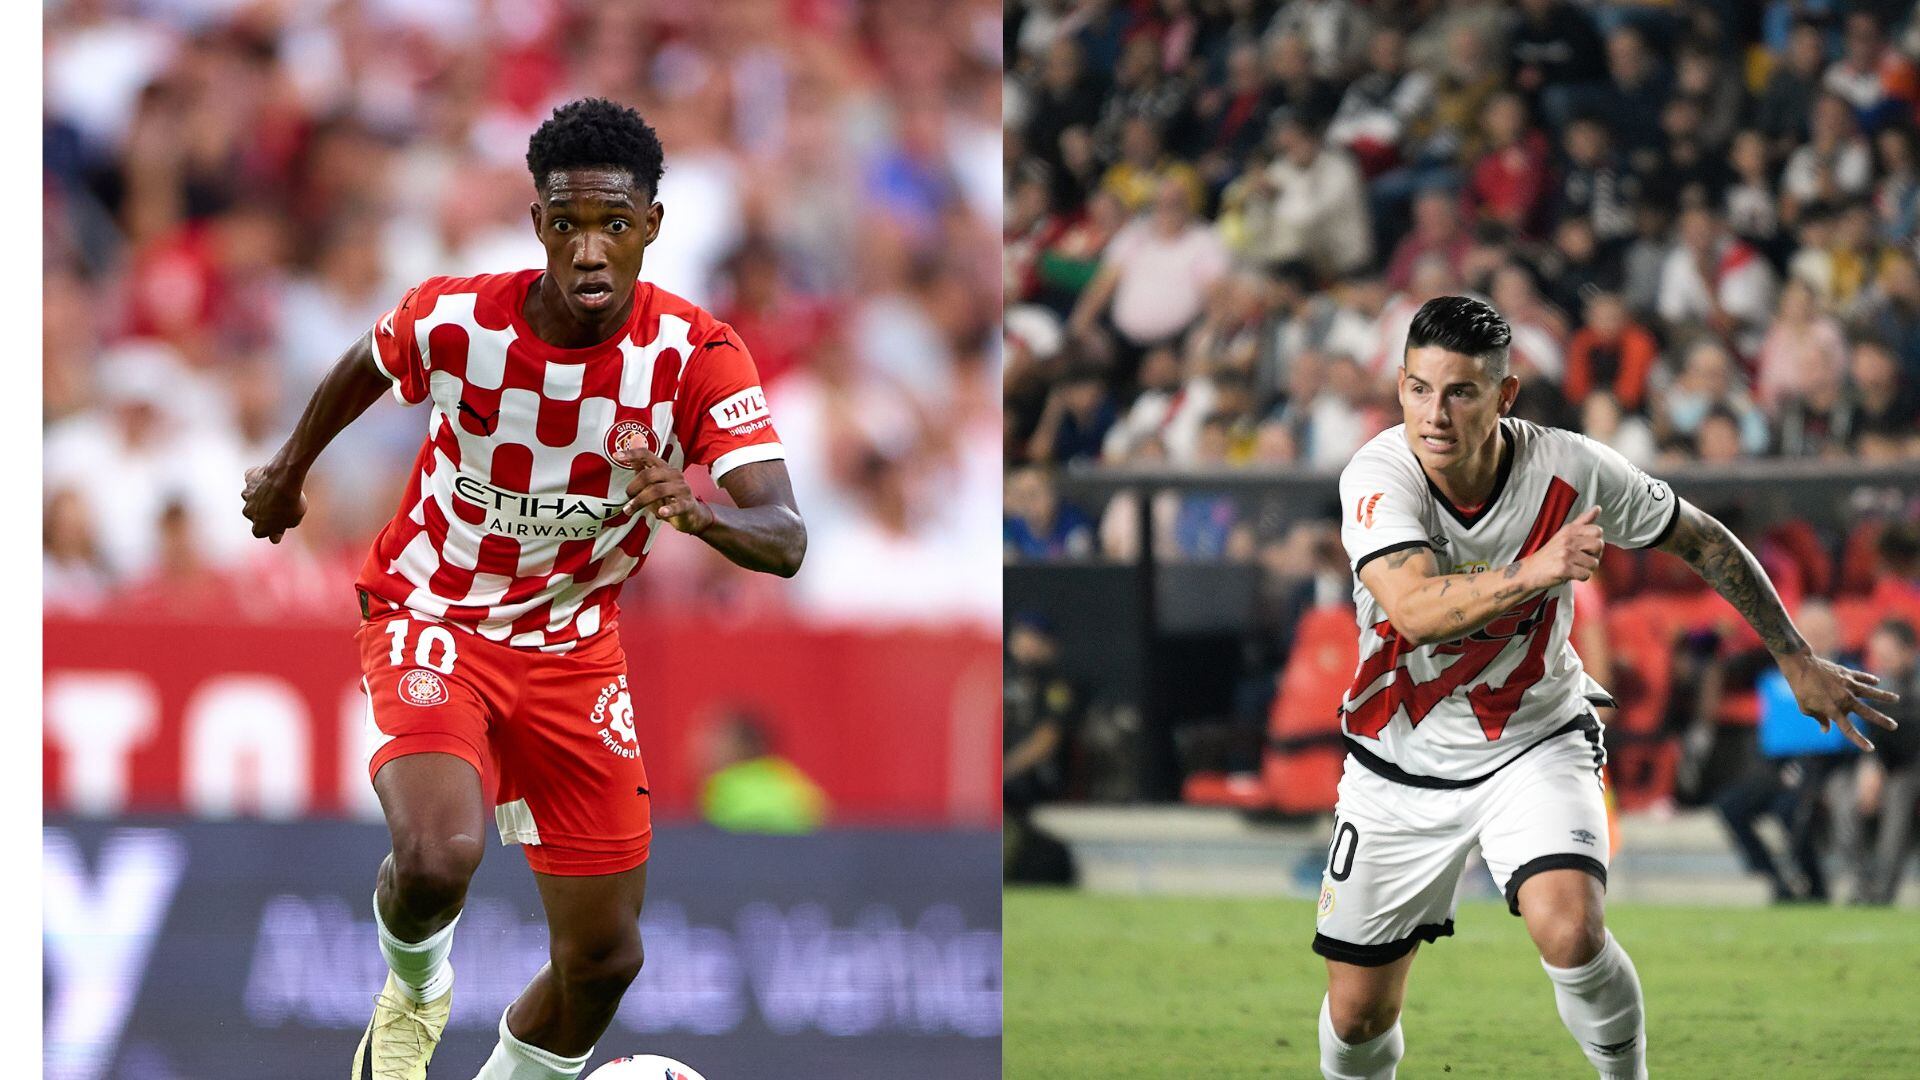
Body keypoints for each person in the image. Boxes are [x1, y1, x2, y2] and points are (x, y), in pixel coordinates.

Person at [241, 98, 807, 1080]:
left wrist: (703, 513)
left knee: (605, 958)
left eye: (615, 226)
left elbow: (787, 536)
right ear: (538, 222)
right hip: (435, 617)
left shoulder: (697, 356)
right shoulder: (459, 319)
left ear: (653, 228)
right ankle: (413, 991)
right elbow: (367, 365)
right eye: (569, 224)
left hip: (574, 650)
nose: (592, 251)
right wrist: (289, 473)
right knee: (436, 859)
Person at [1315, 296, 1897, 1080]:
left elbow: (1700, 536)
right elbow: (1415, 612)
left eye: (1461, 391)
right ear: (1399, 387)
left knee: (1571, 930)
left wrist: (1794, 656)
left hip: (1533, 740)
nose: (1436, 413)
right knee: (1356, 1018)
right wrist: (1538, 570)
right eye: (1420, 389)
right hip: (1395, 762)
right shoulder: (1379, 475)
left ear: (1505, 396)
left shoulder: (1571, 467)